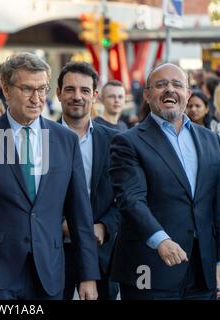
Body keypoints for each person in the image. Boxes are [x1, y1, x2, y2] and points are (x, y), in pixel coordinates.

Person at [0, 52, 100, 300]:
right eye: (27, 89)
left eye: (42, 89)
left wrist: (88, 275)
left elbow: (80, 215)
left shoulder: (66, 141)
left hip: (49, 274)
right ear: (6, 90)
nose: (37, 98)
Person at [110, 63, 220, 300]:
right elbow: (130, 199)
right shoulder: (127, 142)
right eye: (161, 85)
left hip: (203, 270)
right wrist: (161, 240)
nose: (170, 89)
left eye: (177, 85)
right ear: (147, 95)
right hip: (149, 267)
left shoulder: (211, 140)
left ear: (188, 94)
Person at [56, 62, 120, 300]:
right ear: (59, 93)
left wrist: (105, 226)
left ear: (95, 95)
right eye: (70, 89)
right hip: (55, 253)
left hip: (101, 253)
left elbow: (126, 197)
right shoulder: (40, 140)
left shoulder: (116, 141)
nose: (77, 96)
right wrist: (62, 223)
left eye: (84, 90)